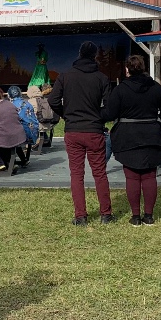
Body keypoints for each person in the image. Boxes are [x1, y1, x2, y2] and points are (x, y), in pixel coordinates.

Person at [47, 41, 113, 226]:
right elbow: (109, 107)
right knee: (99, 173)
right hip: (94, 131)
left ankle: (81, 216)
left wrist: (65, 114)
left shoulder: (65, 76)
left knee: (77, 175)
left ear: (79, 54)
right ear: (94, 56)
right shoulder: (101, 78)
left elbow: (53, 100)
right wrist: (99, 118)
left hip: (73, 130)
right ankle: (105, 214)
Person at [101, 55, 161, 226]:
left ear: (127, 70)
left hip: (127, 136)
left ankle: (135, 216)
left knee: (132, 177)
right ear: (143, 68)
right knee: (149, 176)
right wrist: (159, 124)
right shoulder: (156, 88)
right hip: (151, 134)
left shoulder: (120, 90)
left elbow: (110, 113)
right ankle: (149, 216)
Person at [0, 87, 29, 173]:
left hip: (4, 136)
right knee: (1, 142)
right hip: (18, 134)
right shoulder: (10, 104)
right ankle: (9, 163)